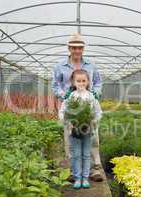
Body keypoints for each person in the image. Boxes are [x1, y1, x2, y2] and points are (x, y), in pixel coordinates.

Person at [52, 33, 104, 182]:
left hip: (88, 104)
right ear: (69, 48)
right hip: (71, 106)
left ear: (83, 49)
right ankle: (73, 169)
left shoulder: (91, 66)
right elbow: (55, 86)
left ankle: (95, 169)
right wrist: (64, 95)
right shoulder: (60, 67)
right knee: (70, 136)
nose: (77, 50)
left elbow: (98, 82)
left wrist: (96, 92)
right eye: (74, 47)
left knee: (92, 136)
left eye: (80, 47)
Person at [59, 69, 102, 189]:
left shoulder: (91, 96)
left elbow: (98, 112)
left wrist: (94, 121)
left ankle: (85, 178)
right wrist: (68, 122)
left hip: (88, 130)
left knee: (86, 155)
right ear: (73, 82)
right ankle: (77, 178)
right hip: (74, 131)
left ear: (88, 82)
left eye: (84, 81)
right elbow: (63, 112)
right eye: (79, 81)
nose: (81, 83)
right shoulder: (70, 96)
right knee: (76, 154)